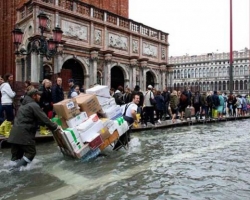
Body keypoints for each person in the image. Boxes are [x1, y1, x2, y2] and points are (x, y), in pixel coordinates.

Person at [8, 89, 59, 171]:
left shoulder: (23, 105)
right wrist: (55, 127)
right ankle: (14, 170)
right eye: (38, 95)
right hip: (24, 134)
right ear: (34, 96)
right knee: (31, 152)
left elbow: (32, 119)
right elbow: (45, 119)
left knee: (16, 157)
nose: (39, 96)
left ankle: (12, 169)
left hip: (14, 134)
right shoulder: (33, 105)